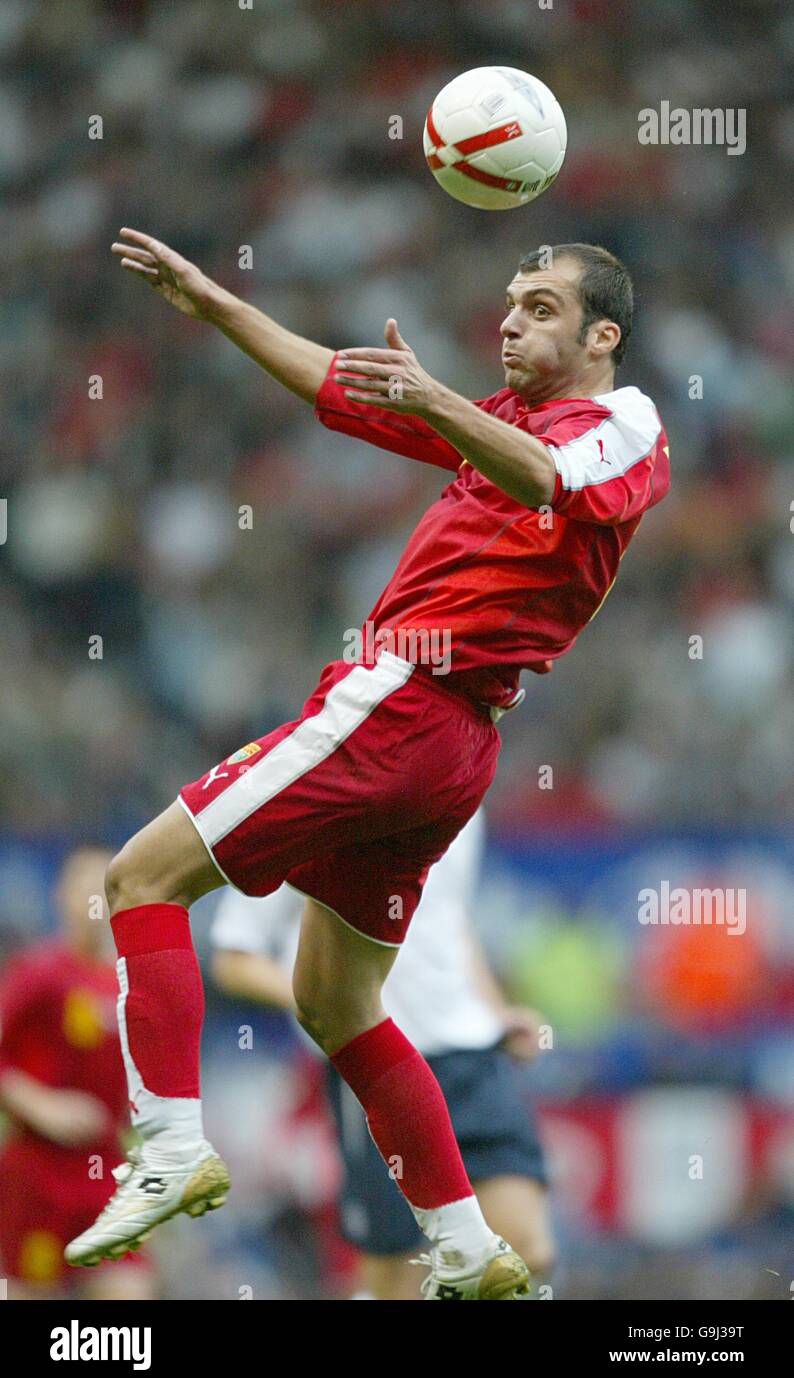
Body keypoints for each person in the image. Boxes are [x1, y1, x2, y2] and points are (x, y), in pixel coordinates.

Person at [66, 232, 668, 1299]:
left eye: (537, 306)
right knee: (336, 1004)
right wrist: (215, 304)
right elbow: (341, 384)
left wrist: (436, 400)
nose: (509, 321)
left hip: (396, 700)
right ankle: (468, 1246)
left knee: (135, 879)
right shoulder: (503, 423)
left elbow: (550, 480)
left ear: (601, 334)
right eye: (508, 301)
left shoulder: (619, 423)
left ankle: (165, 1144)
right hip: (448, 743)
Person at [210, 810, 555, 1298]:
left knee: (526, 1251)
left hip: (471, 1055)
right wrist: (331, 1002)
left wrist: (496, 1011)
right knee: (397, 1277)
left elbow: (447, 918)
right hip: (373, 1067)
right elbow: (234, 958)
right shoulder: (309, 807)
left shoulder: (463, 793)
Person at [0, 846, 156, 1299]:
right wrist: (41, 1105)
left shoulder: (131, 985)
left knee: (130, 1292)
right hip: (38, 1173)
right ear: (62, 896)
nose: (97, 901)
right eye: (87, 887)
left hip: (107, 1173)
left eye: (106, 889)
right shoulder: (37, 973)